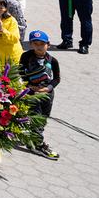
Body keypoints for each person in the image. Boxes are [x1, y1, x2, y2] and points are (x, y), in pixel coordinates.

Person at [18, 31, 60, 160]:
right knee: (35, 116)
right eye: (35, 44)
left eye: (42, 44)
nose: (39, 47)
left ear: (48, 44)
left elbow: (57, 79)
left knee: (43, 117)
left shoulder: (52, 61)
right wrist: (28, 86)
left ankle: (33, 136)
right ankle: (37, 143)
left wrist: (48, 88)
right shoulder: (26, 56)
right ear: (31, 44)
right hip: (31, 93)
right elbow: (20, 72)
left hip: (47, 94)